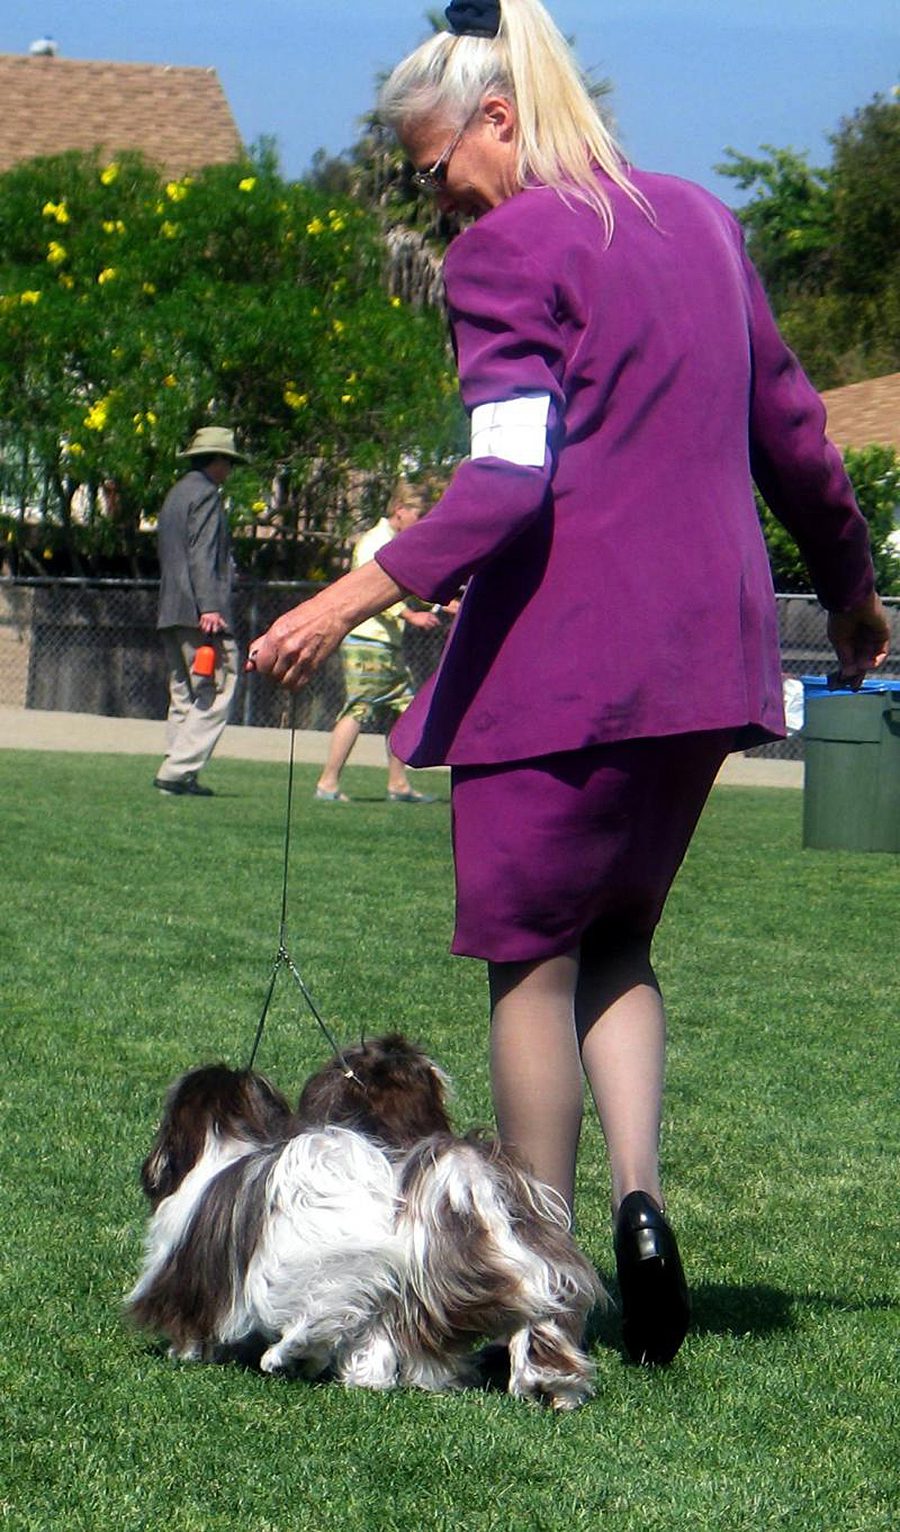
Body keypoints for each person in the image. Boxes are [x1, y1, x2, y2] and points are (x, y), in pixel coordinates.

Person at [247, 0, 890, 1367]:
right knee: (623, 941)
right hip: (711, 653)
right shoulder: (705, 223)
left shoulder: (508, 250)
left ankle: (546, 1284)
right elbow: (796, 434)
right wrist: (851, 589)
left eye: (431, 171)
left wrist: (338, 599)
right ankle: (643, 1210)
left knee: (529, 963)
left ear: (495, 119)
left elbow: (503, 484)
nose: (435, 204)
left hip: (564, 658)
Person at [315, 480, 445, 803]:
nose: (422, 521)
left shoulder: (395, 541)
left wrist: (444, 603)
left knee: (403, 709)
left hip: (387, 643)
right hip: (366, 639)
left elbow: (407, 585)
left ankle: (398, 784)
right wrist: (411, 616)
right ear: (400, 511)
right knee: (358, 707)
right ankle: (327, 783)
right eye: (419, 514)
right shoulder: (375, 543)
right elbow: (371, 593)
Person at [154, 426, 245, 797]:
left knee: (184, 691)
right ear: (218, 460)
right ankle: (176, 771)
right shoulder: (206, 495)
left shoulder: (176, 494)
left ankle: (177, 769)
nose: (230, 470)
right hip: (198, 611)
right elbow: (201, 554)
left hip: (170, 609)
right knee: (219, 685)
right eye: (229, 462)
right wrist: (209, 606)